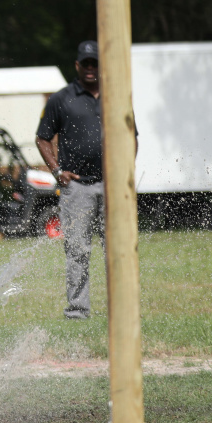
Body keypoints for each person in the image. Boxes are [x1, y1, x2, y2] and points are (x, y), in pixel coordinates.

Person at [34, 40, 134, 320]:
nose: (91, 68)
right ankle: (78, 311)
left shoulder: (116, 96)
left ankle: (122, 309)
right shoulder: (61, 99)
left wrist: (126, 173)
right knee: (77, 250)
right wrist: (57, 171)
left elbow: (131, 137)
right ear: (77, 65)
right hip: (76, 188)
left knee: (118, 250)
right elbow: (42, 138)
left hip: (112, 187)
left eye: (95, 63)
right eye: (86, 63)